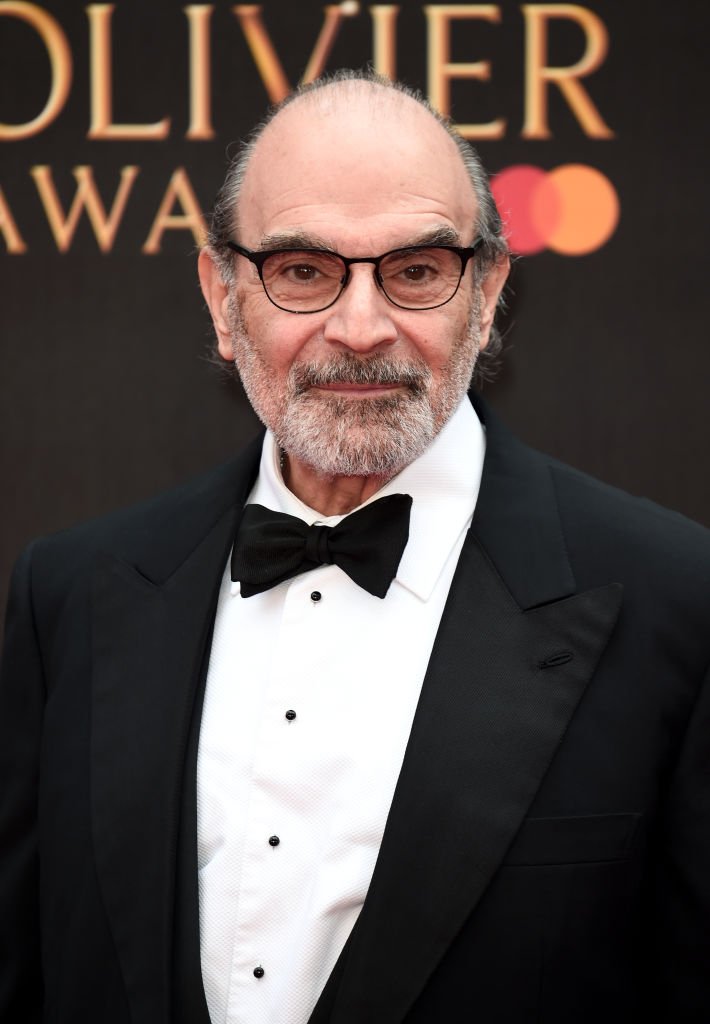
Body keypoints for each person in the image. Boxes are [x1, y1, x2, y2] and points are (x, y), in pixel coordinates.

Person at [0, 69, 708, 1024]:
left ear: (489, 292)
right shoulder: (73, 594)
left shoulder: (678, 604)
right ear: (221, 298)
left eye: (416, 271)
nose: (361, 327)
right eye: (302, 272)